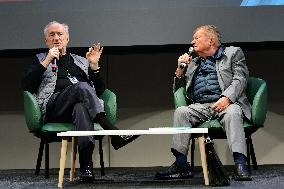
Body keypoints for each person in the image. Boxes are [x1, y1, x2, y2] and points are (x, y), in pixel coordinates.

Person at [22, 21, 138, 182]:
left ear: (67, 38)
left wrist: (94, 66)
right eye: (52, 35)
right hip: (54, 108)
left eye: (60, 34)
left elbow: (99, 90)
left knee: (81, 108)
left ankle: (86, 168)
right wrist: (47, 61)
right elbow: (27, 85)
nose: (56, 38)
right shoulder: (40, 58)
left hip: (78, 108)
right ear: (46, 40)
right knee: (81, 87)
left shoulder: (80, 61)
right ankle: (113, 132)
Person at [155, 25, 252, 181]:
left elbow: (240, 79)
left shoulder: (233, 53)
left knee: (233, 113)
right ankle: (181, 165)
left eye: (197, 38)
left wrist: (227, 98)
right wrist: (180, 69)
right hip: (200, 106)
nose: (193, 41)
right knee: (181, 112)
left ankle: (240, 164)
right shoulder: (192, 62)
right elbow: (178, 90)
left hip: (227, 103)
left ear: (211, 40)